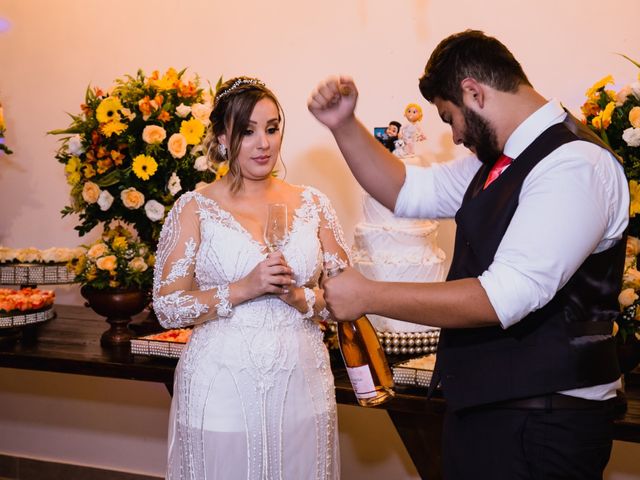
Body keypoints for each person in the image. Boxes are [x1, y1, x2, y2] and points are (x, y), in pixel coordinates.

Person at [308, 30, 629, 479]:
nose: (455, 135)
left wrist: (368, 295)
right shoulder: (503, 160)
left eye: (449, 117)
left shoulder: (574, 165)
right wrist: (344, 125)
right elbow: (406, 191)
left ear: (473, 91)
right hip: (492, 414)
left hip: (544, 422)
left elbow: (505, 296)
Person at [153, 76, 347, 479]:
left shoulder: (314, 204)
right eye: (248, 131)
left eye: (272, 129)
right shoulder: (194, 208)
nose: (264, 143)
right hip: (221, 386)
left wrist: (301, 298)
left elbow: (346, 294)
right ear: (224, 138)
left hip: (302, 384)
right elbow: (168, 308)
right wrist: (244, 287)